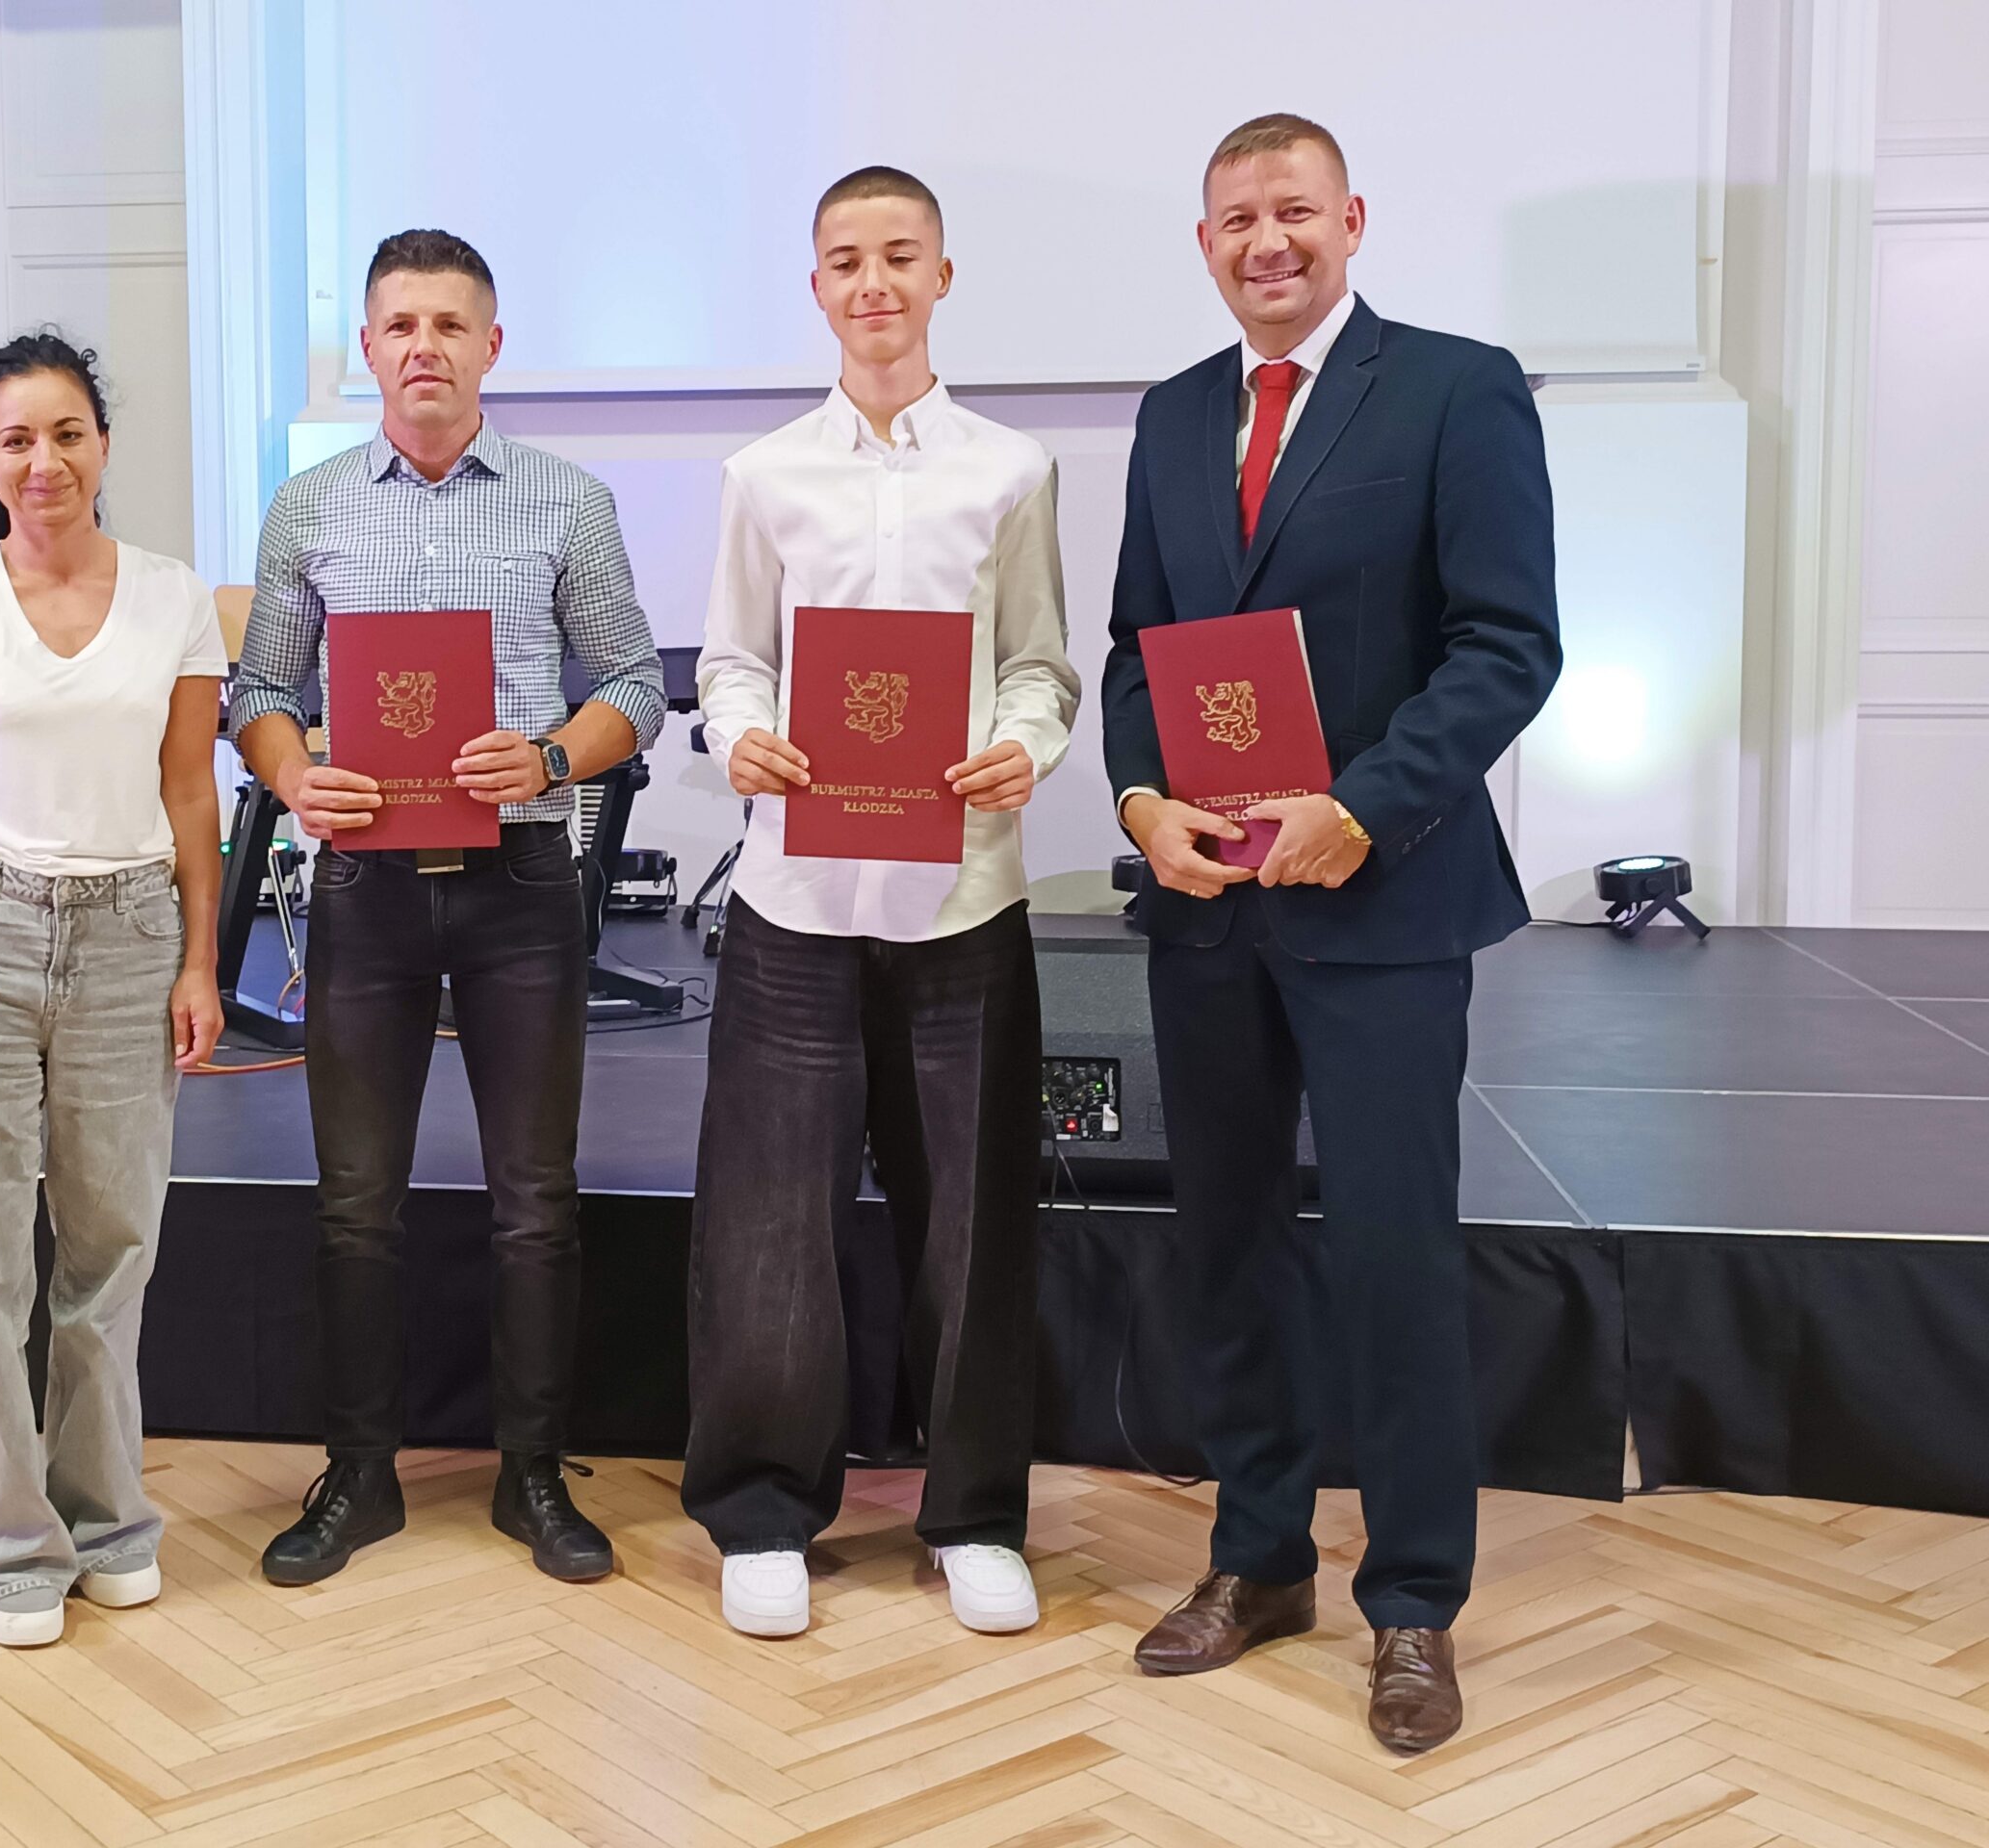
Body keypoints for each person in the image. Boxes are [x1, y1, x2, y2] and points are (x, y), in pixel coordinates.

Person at [1101, 116, 1562, 1749]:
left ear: (1351, 220)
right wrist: (1143, 805)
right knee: (1226, 1242)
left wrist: (1362, 807)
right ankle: (1260, 1557)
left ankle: (1415, 1600)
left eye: (1292, 210)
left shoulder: (1454, 388)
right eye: (1236, 219)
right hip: (1210, 913)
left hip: (1384, 897)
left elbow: (1507, 646)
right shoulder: (1171, 415)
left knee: (1391, 1251)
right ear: (1206, 243)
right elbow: (1138, 650)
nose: (1267, 242)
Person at [236, 230, 665, 1588]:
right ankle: (358, 1475)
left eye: (450, 324)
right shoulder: (307, 508)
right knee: (353, 1204)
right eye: (401, 325)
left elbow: (636, 685)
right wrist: (293, 775)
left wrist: (549, 758)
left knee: (535, 1201)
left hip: (519, 887)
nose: (425, 346)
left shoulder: (567, 501)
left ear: (492, 345)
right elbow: (260, 695)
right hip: (363, 888)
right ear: (368, 348)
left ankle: (531, 1472)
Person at [687, 167, 1080, 1639]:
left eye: (900, 256)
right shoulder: (764, 475)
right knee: (768, 1220)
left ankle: (973, 1514)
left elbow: (1041, 665)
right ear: (816, 287)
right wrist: (740, 737)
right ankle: (761, 1510)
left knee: (972, 1220)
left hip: (961, 895)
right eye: (847, 260)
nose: (874, 283)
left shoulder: (1012, 470)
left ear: (942, 276)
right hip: (795, 897)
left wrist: (1026, 746)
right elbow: (731, 661)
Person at [0, 331, 229, 1649]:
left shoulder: (174, 598)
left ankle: (105, 1518)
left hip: (128, 934)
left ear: (104, 445)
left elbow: (192, 797)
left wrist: (201, 959)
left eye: (68, 433)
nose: (45, 460)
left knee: (112, 1245)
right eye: (17, 439)